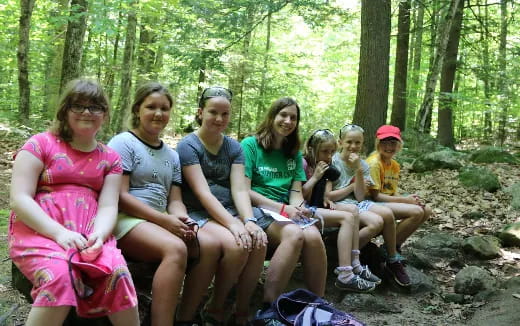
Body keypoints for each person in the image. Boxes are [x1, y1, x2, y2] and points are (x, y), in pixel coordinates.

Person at [9, 79, 139, 326]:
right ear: (65, 110)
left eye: (95, 107)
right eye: (78, 106)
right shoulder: (40, 144)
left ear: (104, 114)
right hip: (41, 232)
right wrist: (59, 233)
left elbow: (109, 205)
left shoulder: (111, 158)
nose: (87, 112)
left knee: (118, 275)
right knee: (60, 276)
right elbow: (19, 198)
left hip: (90, 234)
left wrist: (100, 236)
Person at [108, 82, 218, 326]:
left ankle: (185, 318)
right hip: (125, 219)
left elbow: (175, 200)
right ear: (138, 110)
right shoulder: (123, 142)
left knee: (209, 245)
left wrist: (182, 219)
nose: (158, 113)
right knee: (175, 249)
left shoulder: (172, 155)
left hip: (159, 221)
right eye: (151, 107)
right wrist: (164, 221)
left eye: (164, 108)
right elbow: (120, 196)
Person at [176, 86, 267, 326]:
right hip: (199, 212)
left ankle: (234, 307)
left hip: (229, 211)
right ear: (200, 113)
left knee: (258, 241)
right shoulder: (188, 146)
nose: (219, 119)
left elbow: (239, 189)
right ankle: (212, 307)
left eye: (225, 114)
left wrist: (248, 220)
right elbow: (202, 192)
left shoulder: (234, 147)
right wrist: (234, 224)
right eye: (213, 112)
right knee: (237, 246)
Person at [241, 97, 327, 307]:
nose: (288, 121)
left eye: (293, 118)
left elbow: (296, 192)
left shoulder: (294, 154)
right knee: (294, 234)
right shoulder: (250, 145)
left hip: (284, 211)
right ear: (272, 116)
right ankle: (270, 306)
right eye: (283, 115)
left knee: (313, 235)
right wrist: (283, 208)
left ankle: (318, 303)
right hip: (258, 209)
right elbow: (244, 190)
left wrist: (299, 209)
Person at [328, 124, 410, 287]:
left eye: (357, 143)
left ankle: (392, 258)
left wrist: (358, 170)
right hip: (338, 204)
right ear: (340, 142)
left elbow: (359, 196)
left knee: (386, 214)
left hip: (355, 202)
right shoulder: (333, 161)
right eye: (349, 142)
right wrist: (351, 187)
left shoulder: (362, 165)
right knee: (376, 222)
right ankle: (348, 258)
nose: (353, 146)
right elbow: (329, 196)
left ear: (362, 144)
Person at [302, 129, 380, 291]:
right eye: (324, 152)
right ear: (312, 149)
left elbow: (327, 191)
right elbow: (300, 195)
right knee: (349, 215)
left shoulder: (329, 166)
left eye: (331, 152)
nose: (329, 156)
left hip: (321, 207)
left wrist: (327, 198)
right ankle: (346, 272)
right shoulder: (304, 164)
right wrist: (316, 177)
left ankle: (355, 264)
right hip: (305, 209)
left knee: (353, 210)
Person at [366, 125, 431, 250]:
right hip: (370, 203)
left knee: (426, 210)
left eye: (393, 143)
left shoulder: (394, 165)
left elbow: (391, 192)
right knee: (416, 212)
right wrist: (406, 201)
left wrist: (412, 200)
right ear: (378, 143)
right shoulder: (374, 163)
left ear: (399, 145)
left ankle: (394, 246)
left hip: (384, 201)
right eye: (384, 142)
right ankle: (390, 249)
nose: (389, 147)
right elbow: (376, 196)